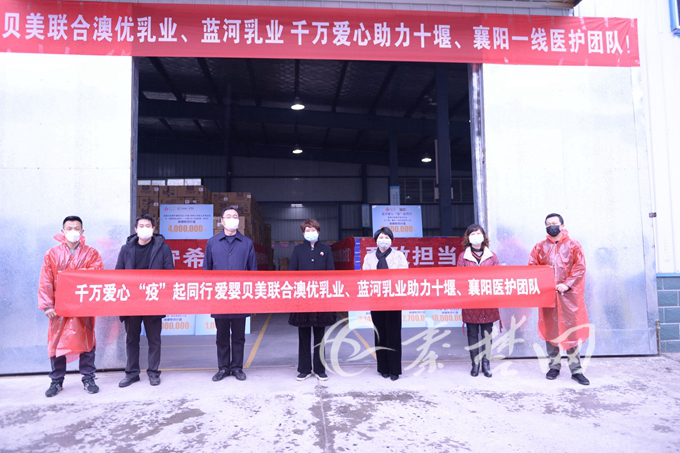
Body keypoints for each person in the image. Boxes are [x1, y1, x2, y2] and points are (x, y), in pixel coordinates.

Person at [38, 216, 104, 397]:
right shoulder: (52, 254)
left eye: (77, 228)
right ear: (63, 231)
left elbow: (98, 274)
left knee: (87, 340)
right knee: (57, 341)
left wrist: (71, 275)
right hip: (60, 307)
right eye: (69, 228)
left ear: (82, 231)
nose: (73, 231)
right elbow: (46, 280)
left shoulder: (91, 253)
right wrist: (47, 305)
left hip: (84, 305)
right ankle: (56, 380)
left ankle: (88, 378)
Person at [529, 213, 591, 385]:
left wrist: (567, 284)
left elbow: (579, 267)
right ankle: (554, 367)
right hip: (548, 295)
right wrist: (544, 285)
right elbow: (533, 267)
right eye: (548, 224)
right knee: (551, 331)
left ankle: (576, 370)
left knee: (571, 331)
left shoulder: (573, 245)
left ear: (562, 225)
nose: (552, 226)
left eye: (554, 223)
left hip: (569, 296)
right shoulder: (540, 247)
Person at [115, 214, 174, 388]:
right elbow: (117, 274)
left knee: (154, 339)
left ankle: (153, 372)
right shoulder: (126, 249)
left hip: (153, 300)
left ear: (153, 228)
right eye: (141, 226)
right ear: (135, 229)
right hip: (132, 301)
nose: (144, 228)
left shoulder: (163, 248)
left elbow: (170, 273)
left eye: (148, 226)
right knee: (131, 339)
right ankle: (132, 373)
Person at [204, 207, 257, 382]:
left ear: (238, 221)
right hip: (220, 296)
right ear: (222, 221)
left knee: (239, 336)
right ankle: (223, 368)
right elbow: (206, 271)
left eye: (235, 216)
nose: (232, 219)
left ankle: (237, 368)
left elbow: (253, 271)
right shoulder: (212, 243)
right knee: (222, 336)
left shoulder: (247, 243)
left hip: (240, 296)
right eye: (228, 216)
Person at [288, 219, 336, 381]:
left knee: (320, 335)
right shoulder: (298, 250)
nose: (310, 232)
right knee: (303, 335)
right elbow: (292, 273)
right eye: (307, 230)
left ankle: (320, 369)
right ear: (303, 233)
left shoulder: (326, 250)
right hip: (303, 298)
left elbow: (331, 272)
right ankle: (304, 369)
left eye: (313, 229)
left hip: (321, 298)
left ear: (318, 231)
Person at [362, 227, 408, 381]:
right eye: (381, 237)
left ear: (391, 240)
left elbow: (404, 275)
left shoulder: (399, 256)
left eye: (387, 237)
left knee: (393, 334)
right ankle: (383, 368)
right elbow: (365, 277)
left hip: (394, 299)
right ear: (376, 240)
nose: (384, 240)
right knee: (380, 333)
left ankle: (394, 369)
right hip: (376, 300)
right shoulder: (369, 257)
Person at [456, 224, 500, 378]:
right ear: (468, 237)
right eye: (472, 234)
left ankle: (486, 364)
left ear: (483, 236)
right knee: (472, 333)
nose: (476, 236)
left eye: (478, 233)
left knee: (487, 334)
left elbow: (498, 276)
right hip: (471, 300)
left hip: (488, 300)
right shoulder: (463, 256)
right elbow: (459, 277)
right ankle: (475, 364)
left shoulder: (492, 256)